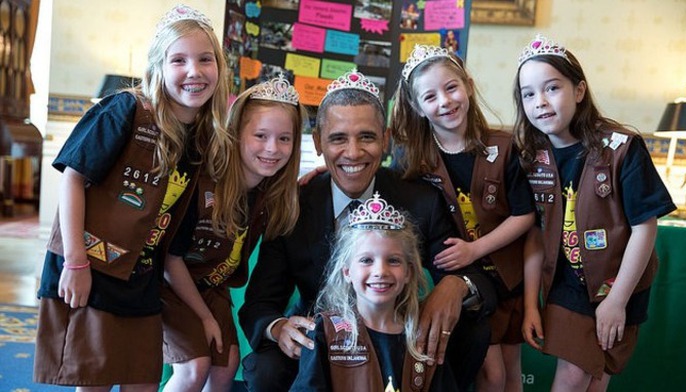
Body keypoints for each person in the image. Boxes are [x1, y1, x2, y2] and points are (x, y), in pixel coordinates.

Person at [239, 69, 496, 391]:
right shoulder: (294, 204)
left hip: (398, 334)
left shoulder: (419, 199)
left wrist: (458, 285)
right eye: (337, 138)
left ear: (385, 139)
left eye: (367, 137)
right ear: (318, 142)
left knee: (472, 329)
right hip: (318, 340)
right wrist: (277, 328)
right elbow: (259, 303)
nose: (353, 153)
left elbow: (479, 278)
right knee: (266, 368)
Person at [33, 5, 230, 391]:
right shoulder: (125, 109)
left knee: (142, 381)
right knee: (93, 381)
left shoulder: (200, 141)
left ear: (219, 68)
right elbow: (72, 179)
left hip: (141, 282)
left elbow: (172, 245)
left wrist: (202, 314)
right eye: (179, 60)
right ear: (158, 67)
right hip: (92, 271)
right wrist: (75, 263)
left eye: (205, 59)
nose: (194, 71)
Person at [513, 33, 676, 391]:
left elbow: (645, 227)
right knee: (572, 375)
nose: (540, 101)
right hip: (566, 287)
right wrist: (530, 304)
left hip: (619, 285)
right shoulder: (528, 158)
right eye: (528, 94)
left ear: (579, 90)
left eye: (552, 88)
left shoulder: (621, 148)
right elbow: (534, 235)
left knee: (595, 378)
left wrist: (616, 301)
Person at [391, 44, 536, 391]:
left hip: (506, 277)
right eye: (430, 96)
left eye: (451, 87)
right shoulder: (412, 159)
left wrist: (475, 249)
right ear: (417, 106)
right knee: (491, 373)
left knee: (511, 372)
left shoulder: (504, 148)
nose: (444, 101)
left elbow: (525, 214)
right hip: (458, 282)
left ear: (468, 85)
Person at [160, 75, 305, 391]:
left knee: (226, 365)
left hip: (211, 289)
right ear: (237, 133)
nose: (272, 148)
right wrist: (205, 318)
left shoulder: (272, 195)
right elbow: (169, 260)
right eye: (261, 135)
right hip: (169, 284)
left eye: (284, 139)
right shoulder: (203, 182)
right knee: (194, 368)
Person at [290, 195, 458, 391]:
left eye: (393, 260)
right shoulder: (325, 332)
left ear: (408, 273)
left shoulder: (424, 335)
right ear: (347, 272)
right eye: (366, 260)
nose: (380, 271)